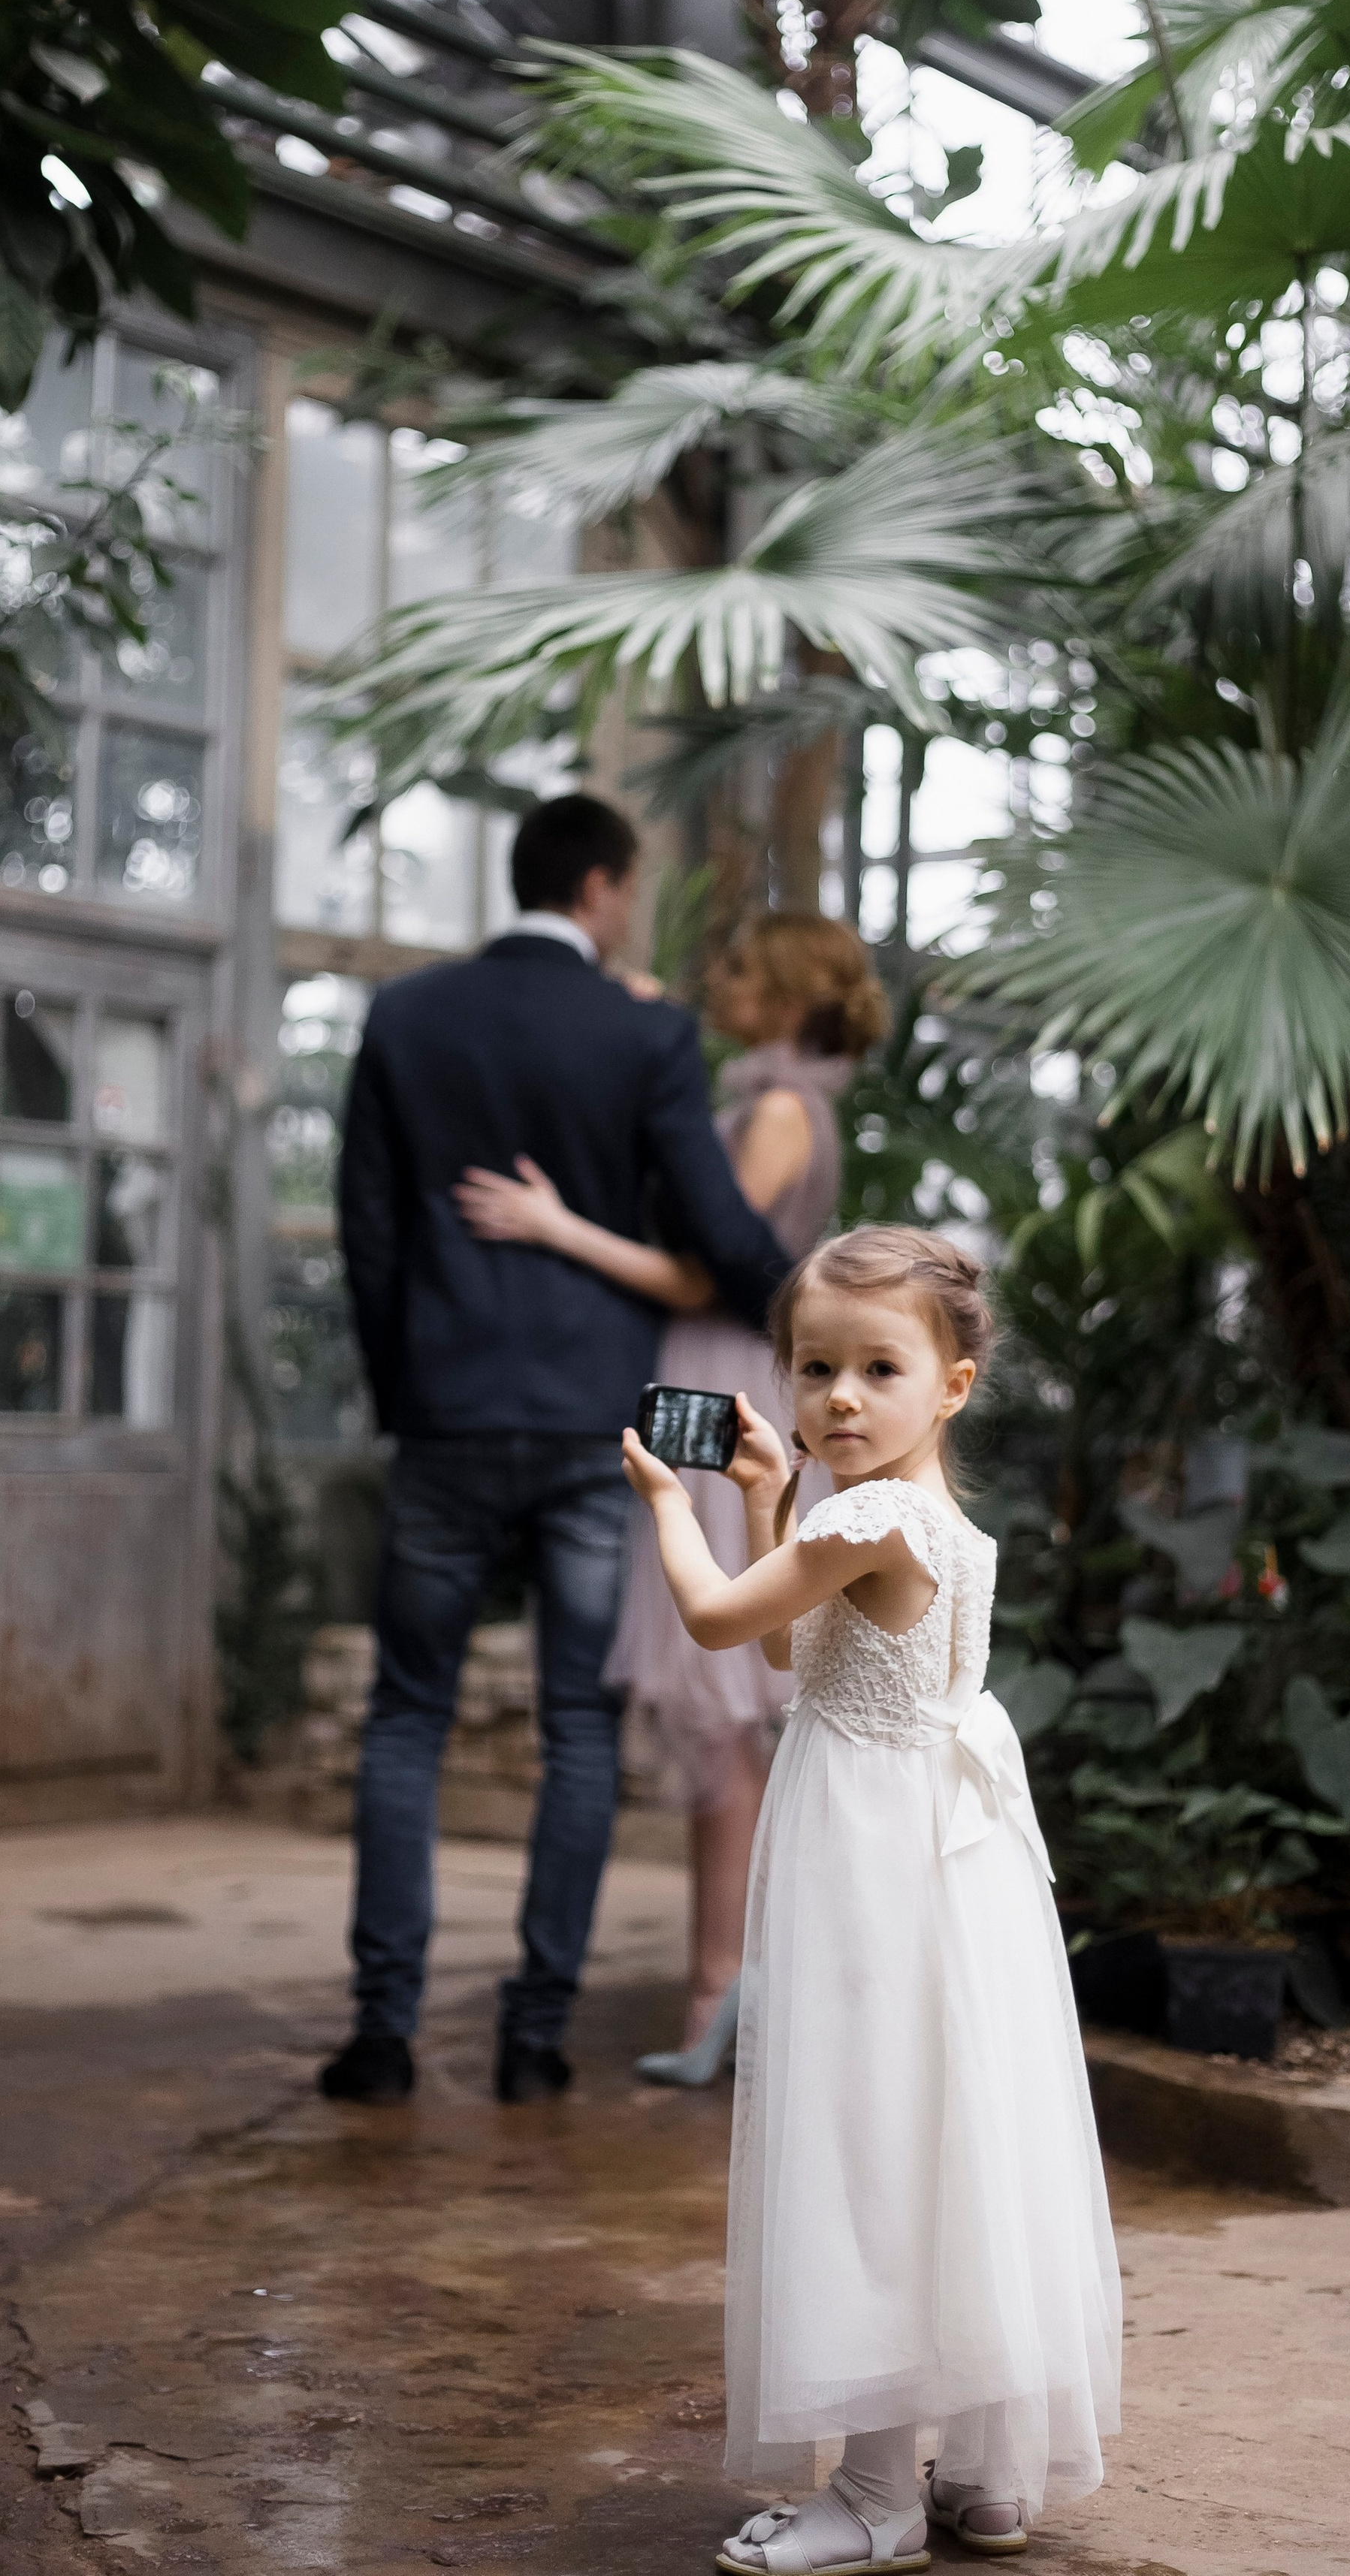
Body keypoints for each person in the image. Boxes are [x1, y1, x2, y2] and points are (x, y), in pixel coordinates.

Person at [621, 1227, 1121, 2570]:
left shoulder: (866, 1519)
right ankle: (986, 2480)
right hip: (944, 1860)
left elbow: (722, 1624)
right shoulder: (929, 1518)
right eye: (813, 1366)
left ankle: (877, 2495)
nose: (839, 1395)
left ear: (952, 1385)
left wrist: (667, 1505)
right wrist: (761, 1496)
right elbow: (798, 1646)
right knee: (948, 2136)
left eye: (878, 1368)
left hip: (872, 1857)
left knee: (865, 2141)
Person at [323, 794, 793, 2108]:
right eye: (629, 891)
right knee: (579, 1729)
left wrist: (407, 1387)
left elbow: (368, 1231)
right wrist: (814, 1309)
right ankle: (533, 2041)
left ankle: (383, 2034)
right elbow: (715, 1225)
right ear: (598, 888)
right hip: (599, 1423)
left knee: (406, 1715)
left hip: (447, 1413)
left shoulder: (407, 1015)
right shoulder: (642, 1032)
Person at [455, 915, 887, 2081]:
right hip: (711, 1376)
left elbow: (703, 1270)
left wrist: (555, 1227)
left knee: (723, 1705)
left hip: (721, 1376)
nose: (718, 978)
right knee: (725, 1711)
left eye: (740, 968)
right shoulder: (770, 1098)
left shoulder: (783, 1109)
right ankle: (733, 1987)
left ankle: (719, 1993)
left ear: (788, 996)